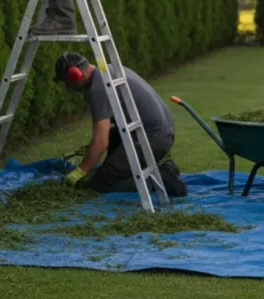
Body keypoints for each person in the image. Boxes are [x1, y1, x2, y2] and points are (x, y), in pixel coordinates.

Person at [54, 51, 187, 197]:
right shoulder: (110, 70)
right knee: (112, 137)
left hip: (153, 139)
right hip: (162, 132)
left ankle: (160, 179)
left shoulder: (99, 88)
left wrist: (80, 172)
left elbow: (100, 142)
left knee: (101, 184)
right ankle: (154, 168)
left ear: (75, 74)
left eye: (67, 82)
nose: (69, 87)